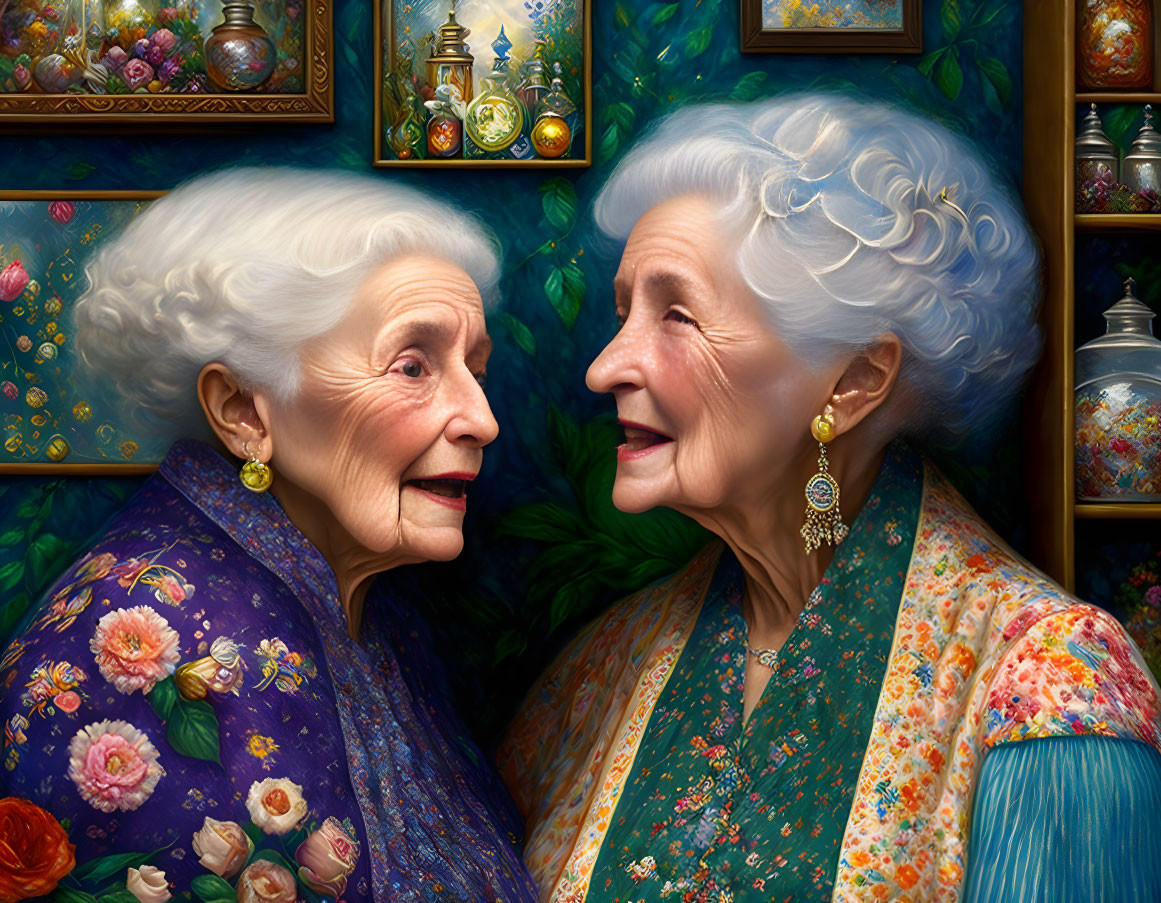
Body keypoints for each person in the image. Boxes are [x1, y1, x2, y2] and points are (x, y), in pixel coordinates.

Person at [499, 96, 1161, 902]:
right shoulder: (603, 669)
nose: (607, 366)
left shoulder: (1053, 686)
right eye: (622, 311)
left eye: (676, 314)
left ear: (853, 382)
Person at [0, 170, 538, 902]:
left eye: (473, 370)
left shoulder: (371, 609)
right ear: (243, 412)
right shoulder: (149, 650)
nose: (482, 418)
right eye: (412, 366)